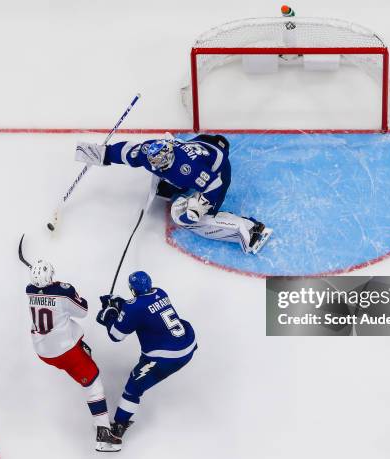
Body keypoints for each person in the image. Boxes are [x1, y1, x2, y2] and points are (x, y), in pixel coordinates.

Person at [75, 133, 272, 254]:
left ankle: (250, 229)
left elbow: (215, 184)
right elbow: (128, 152)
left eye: (159, 165)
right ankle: (176, 187)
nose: (154, 166)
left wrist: (199, 206)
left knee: (189, 219)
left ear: (169, 160)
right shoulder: (148, 153)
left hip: (218, 169)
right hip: (202, 143)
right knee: (168, 187)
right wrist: (102, 153)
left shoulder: (187, 169)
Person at [95, 271, 197, 451]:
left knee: (133, 388)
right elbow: (143, 308)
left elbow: (116, 335)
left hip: (167, 357)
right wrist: (121, 304)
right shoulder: (160, 292)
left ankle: (117, 430)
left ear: (132, 289)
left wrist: (109, 314)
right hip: (188, 343)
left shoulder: (134, 307)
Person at [25, 259, 117, 452]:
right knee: (92, 381)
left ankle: (81, 353)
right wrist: (68, 291)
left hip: (42, 350)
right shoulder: (63, 292)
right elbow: (83, 311)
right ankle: (103, 434)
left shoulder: (29, 290)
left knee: (80, 349)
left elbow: (45, 295)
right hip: (63, 351)